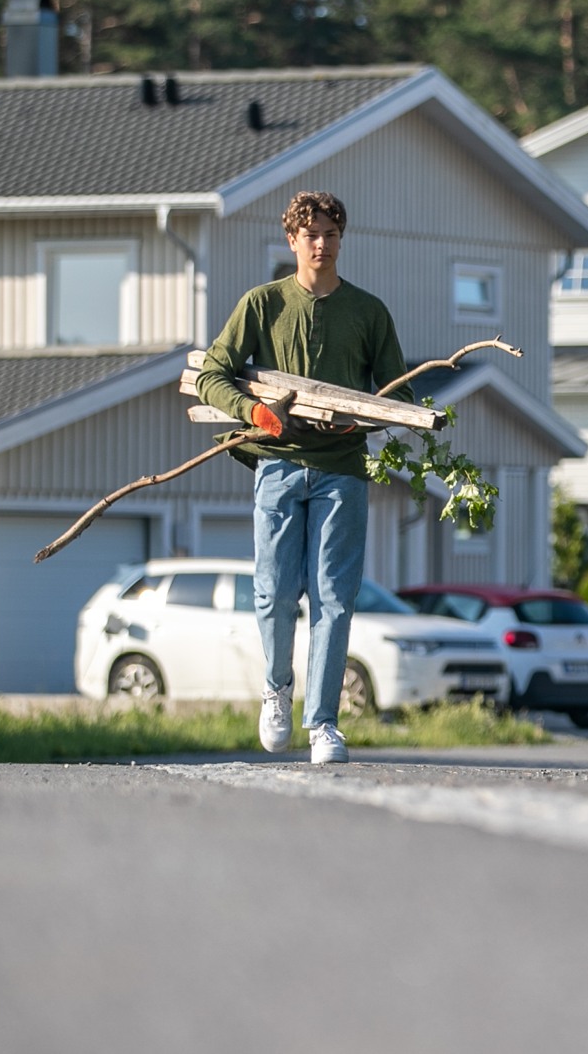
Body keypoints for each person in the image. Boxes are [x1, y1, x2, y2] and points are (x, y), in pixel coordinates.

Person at [196, 191, 405, 764]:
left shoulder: (369, 312)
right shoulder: (262, 305)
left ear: (342, 239)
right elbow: (211, 375)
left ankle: (324, 724)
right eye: (311, 234)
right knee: (275, 594)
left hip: (343, 472)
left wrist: (359, 418)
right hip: (279, 466)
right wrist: (254, 412)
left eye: (331, 233)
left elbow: (399, 396)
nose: (322, 243)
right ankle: (275, 690)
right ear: (292, 240)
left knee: (334, 600)